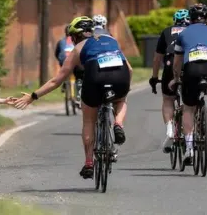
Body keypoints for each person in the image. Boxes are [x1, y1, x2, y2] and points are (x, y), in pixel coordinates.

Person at [14, 16, 133, 179]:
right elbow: (130, 69)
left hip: (94, 79)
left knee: (89, 121)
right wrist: (124, 86)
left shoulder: (78, 48)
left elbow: (57, 80)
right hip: (120, 77)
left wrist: (33, 96)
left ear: (76, 36)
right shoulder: (110, 39)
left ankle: (89, 163)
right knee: (121, 99)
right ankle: (118, 123)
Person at [169, 3, 207, 164]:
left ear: (191, 19)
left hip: (192, 69)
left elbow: (177, 61)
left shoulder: (183, 34)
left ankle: (189, 148)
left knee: (188, 109)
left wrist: (177, 78)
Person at [149, 9, 190, 152]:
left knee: (168, 99)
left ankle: (170, 130)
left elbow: (157, 58)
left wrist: (154, 77)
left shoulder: (167, 31)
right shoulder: (193, 30)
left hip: (170, 63)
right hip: (190, 62)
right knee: (190, 101)